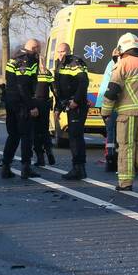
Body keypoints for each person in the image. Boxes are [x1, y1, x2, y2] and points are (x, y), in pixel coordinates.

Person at [100, 33, 138, 191]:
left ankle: (125, 182)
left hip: (127, 113)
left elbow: (113, 90)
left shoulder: (123, 64)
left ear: (121, 48)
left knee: (126, 146)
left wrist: (105, 111)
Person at [1, 39, 41, 179]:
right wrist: (32, 106)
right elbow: (23, 86)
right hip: (22, 104)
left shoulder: (13, 58)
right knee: (26, 136)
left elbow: (9, 80)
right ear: (35, 48)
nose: (39, 52)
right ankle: (26, 167)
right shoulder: (28, 61)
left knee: (13, 136)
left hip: (10, 102)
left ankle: (6, 166)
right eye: (39, 49)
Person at [53, 42, 89, 180]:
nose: (61, 54)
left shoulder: (76, 62)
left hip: (77, 106)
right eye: (59, 51)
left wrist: (76, 101)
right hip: (68, 105)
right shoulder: (59, 64)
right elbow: (58, 89)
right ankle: (78, 168)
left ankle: (79, 168)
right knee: (73, 137)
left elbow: (83, 82)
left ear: (69, 51)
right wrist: (58, 108)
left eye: (63, 51)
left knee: (76, 137)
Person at [95, 46, 122, 172]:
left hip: (103, 102)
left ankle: (110, 157)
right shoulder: (117, 65)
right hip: (111, 102)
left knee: (110, 131)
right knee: (114, 132)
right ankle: (113, 159)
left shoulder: (111, 64)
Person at [32, 62, 55, 167]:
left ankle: (40, 158)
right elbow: (54, 89)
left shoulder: (31, 71)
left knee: (35, 132)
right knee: (45, 130)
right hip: (45, 104)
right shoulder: (47, 73)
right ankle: (49, 150)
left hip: (34, 104)